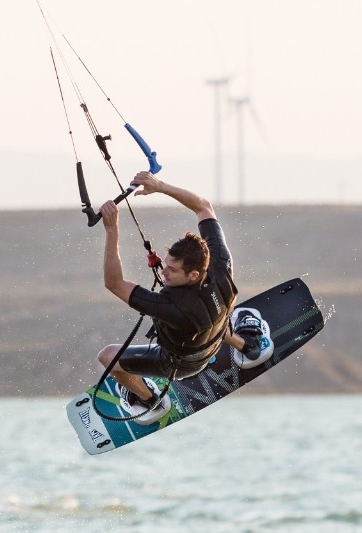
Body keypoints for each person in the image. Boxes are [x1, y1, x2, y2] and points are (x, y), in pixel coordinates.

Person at [97, 172, 263, 424]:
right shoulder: (219, 262)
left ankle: (149, 400)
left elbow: (114, 284)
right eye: (166, 264)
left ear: (193, 274)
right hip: (213, 336)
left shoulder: (173, 307)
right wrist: (160, 186)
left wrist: (112, 230)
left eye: (172, 270)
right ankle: (248, 346)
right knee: (214, 311)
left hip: (180, 363)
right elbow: (203, 207)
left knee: (108, 357)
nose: (164, 272)